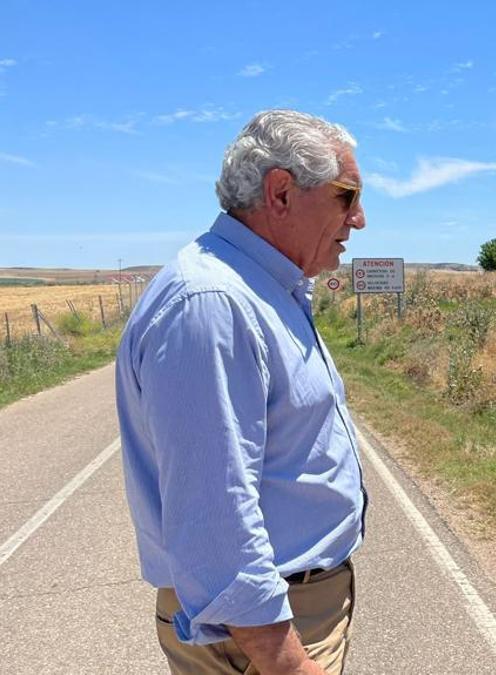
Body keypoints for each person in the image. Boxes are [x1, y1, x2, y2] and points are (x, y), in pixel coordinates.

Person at [116, 109, 368, 674]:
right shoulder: (213, 304)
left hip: (282, 611)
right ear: (281, 192)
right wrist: (285, 661)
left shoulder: (258, 289)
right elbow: (214, 515)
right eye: (346, 197)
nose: (359, 219)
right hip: (265, 628)